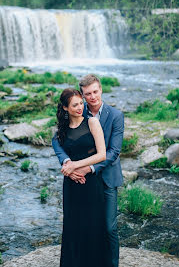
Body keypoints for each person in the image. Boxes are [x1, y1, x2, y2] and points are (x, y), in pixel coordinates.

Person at [52, 74, 124, 267]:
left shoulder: (115, 116)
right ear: (82, 95)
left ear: (101, 89)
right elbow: (58, 138)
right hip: (79, 180)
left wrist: (87, 168)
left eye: (95, 92)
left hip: (105, 178)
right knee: (79, 225)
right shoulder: (79, 111)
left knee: (108, 228)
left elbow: (113, 151)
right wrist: (67, 162)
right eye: (87, 94)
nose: (92, 97)